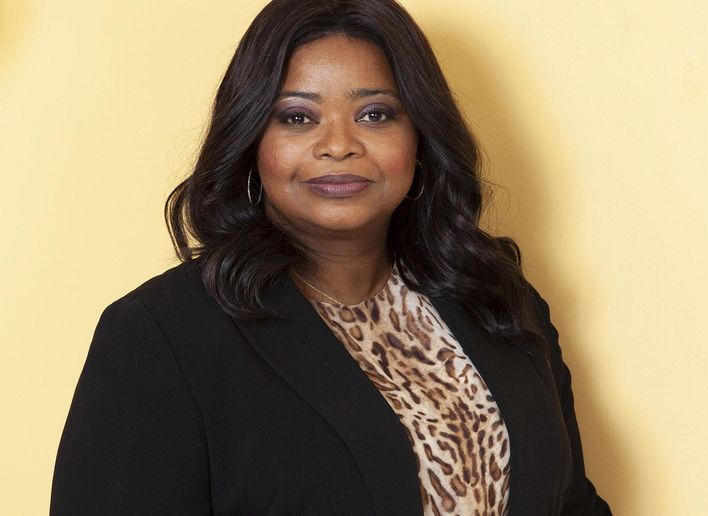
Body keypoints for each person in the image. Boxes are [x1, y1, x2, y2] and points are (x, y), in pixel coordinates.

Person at [49, 0, 612, 514]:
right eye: (297, 117)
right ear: (251, 141)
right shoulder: (163, 336)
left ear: (420, 136)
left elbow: (572, 505)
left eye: (376, 114)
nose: (338, 144)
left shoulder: (496, 299)